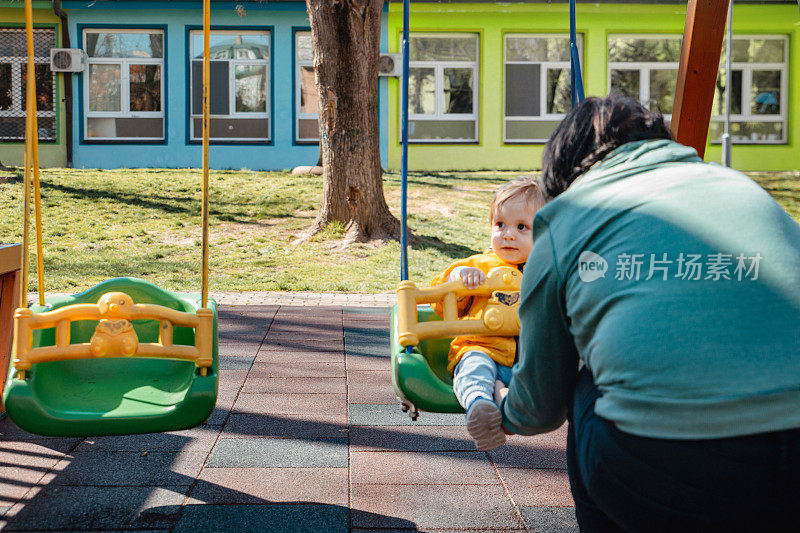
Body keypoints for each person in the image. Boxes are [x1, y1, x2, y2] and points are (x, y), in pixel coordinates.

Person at [497, 94, 800, 531]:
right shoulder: (740, 187)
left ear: (564, 170)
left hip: (667, 464)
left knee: (585, 387)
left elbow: (539, 407)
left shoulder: (567, 219)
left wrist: (504, 412)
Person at [430, 176, 544, 451]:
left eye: (521, 227)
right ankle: (479, 406)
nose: (507, 234)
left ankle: (502, 401)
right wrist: (459, 278)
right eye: (500, 224)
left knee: (548, 376)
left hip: (527, 359)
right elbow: (440, 300)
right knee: (473, 370)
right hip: (480, 347)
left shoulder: (546, 268)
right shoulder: (479, 265)